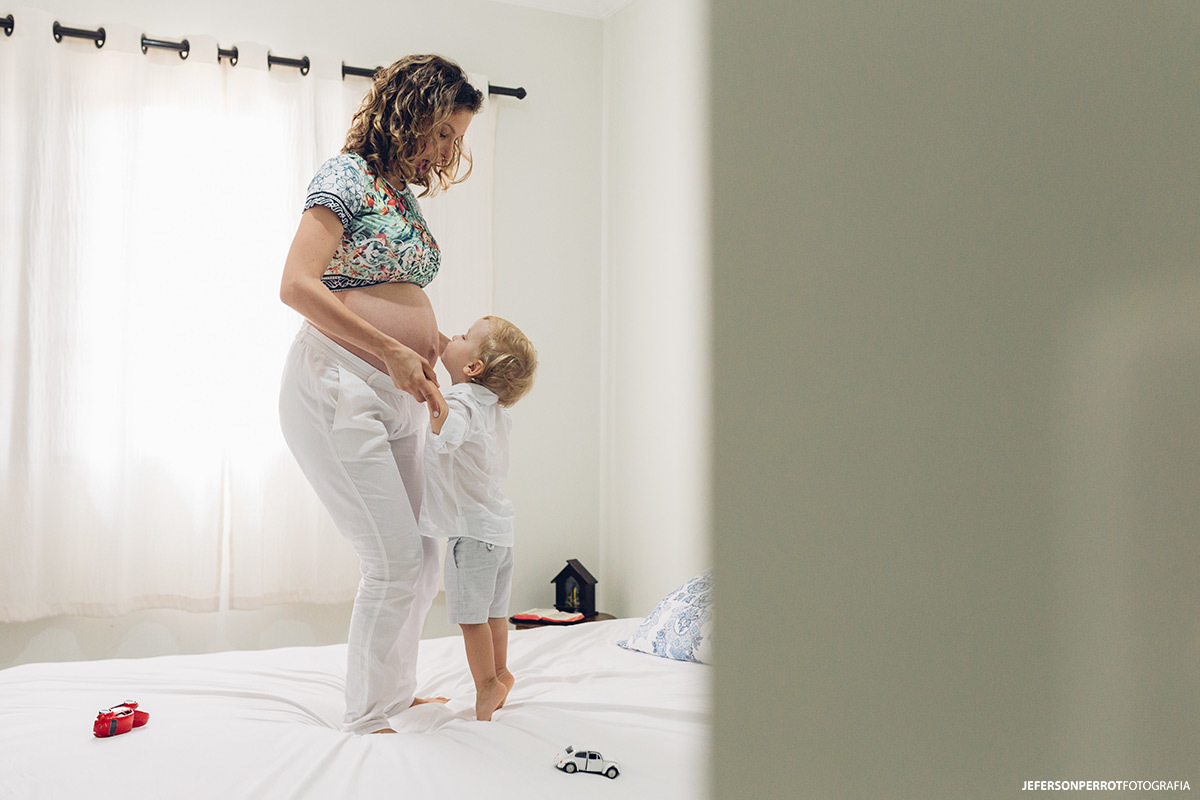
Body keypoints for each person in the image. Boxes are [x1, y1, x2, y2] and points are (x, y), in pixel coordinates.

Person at [277, 55, 483, 735]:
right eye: (446, 133)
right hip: (340, 385)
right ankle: (367, 717)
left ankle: (395, 693)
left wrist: (430, 355)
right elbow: (298, 286)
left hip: (392, 391)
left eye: (458, 138)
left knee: (423, 558)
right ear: (414, 115)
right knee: (393, 558)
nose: (451, 150)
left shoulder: (401, 193)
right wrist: (393, 348)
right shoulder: (344, 178)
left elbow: (394, 295)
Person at [419, 315, 538, 721]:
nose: (454, 336)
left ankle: (486, 686)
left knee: (472, 620)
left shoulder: (463, 401)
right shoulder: (494, 411)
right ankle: (502, 673)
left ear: (473, 369)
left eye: (465, 336)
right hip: (499, 533)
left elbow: (449, 433)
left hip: (471, 535)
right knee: (494, 615)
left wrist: (430, 392)